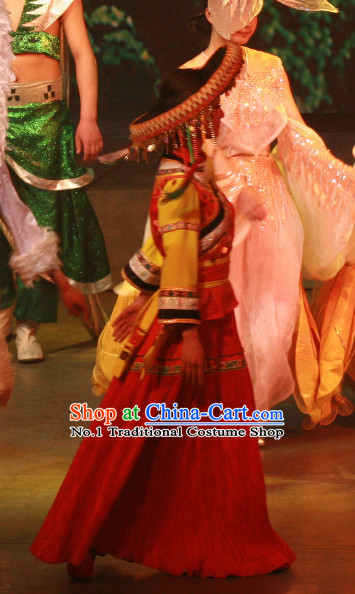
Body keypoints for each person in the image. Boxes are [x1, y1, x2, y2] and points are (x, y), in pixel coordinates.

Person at [30, 44, 296, 578]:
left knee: (181, 439)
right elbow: (177, 259)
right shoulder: (179, 182)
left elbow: (165, 253)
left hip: (206, 318)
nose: (222, 114)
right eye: (215, 107)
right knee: (150, 433)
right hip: (193, 328)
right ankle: (102, 533)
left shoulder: (193, 172)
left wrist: (138, 294)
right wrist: (186, 331)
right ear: (195, 116)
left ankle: (189, 527)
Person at [182, 0, 355, 428]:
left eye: (253, 9)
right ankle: (221, 407)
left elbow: (295, 132)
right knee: (227, 304)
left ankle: (251, 409)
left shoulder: (270, 65)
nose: (246, 21)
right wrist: (236, 191)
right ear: (208, 13)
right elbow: (198, 147)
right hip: (218, 199)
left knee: (272, 307)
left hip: (270, 199)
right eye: (233, 8)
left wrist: (340, 177)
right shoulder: (190, 73)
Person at [0, 0, 111, 362]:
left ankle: (29, 324)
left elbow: (83, 55)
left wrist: (89, 118)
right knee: (8, 227)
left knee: (44, 223)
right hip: (2, 121)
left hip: (47, 125)